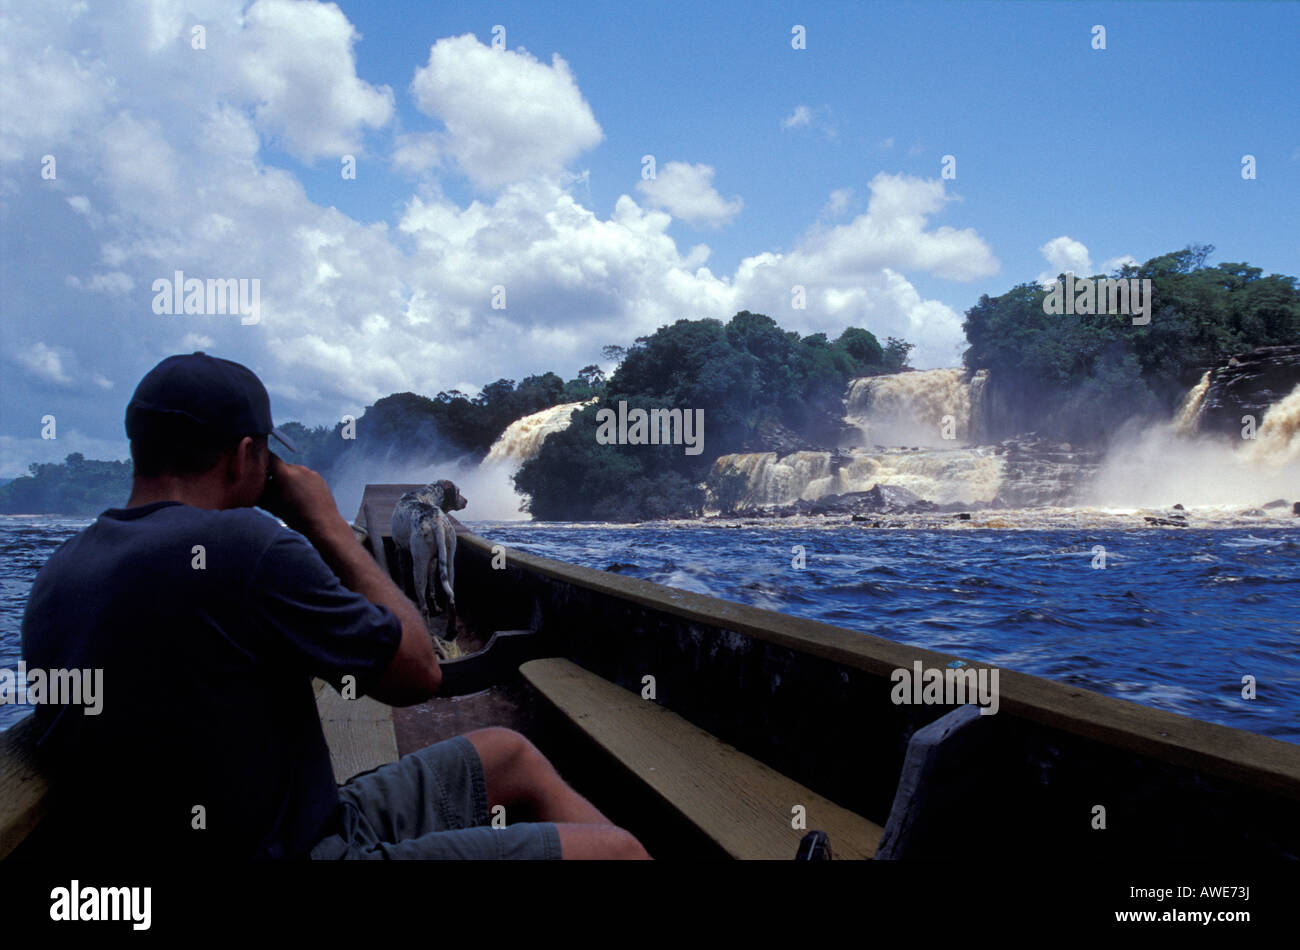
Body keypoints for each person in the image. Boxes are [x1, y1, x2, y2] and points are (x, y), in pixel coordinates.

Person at [21, 352, 649, 860]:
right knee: (616, 850)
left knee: (510, 755)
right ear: (247, 456)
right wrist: (323, 525)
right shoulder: (247, 546)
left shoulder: (60, 570)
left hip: (296, 821)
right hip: (303, 851)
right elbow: (417, 673)